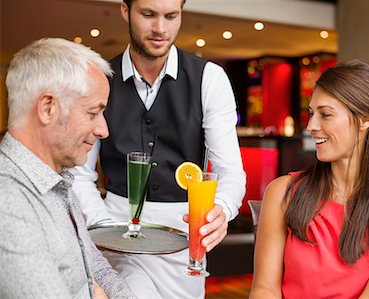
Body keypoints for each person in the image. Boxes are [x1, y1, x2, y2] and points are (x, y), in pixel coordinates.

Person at [70, 0, 246, 298]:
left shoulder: (210, 79)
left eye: (171, 16)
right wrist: (103, 226)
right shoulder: (101, 79)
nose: (160, 29)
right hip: (116, 229)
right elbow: (78, 173)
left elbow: (231, 173)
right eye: (148, 15)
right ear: (126, 11)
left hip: (183, 236)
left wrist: (222, 210)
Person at [249, 60, 369, 298]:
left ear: (365, 118)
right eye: (312, 114)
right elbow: (264, 289)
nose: (311, 126)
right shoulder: (282, 192)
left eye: (326, 114)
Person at [0, 38, 137, 299]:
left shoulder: (58, 180)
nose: (103, 130)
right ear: (47, 108)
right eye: (93, 112)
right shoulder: (7, 201)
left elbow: (97, 270)